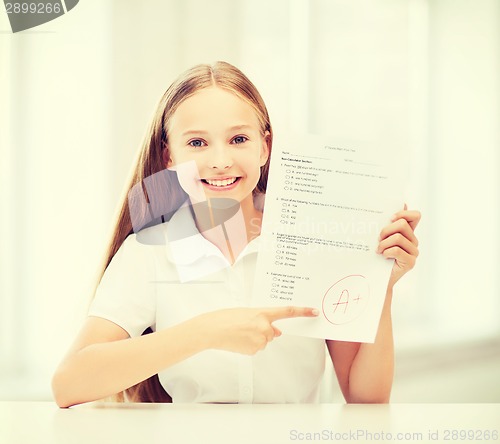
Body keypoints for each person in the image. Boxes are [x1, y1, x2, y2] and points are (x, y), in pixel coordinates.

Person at [51, 61, 421, 408]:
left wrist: (381, 286)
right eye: (197, 143)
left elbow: (365, 399)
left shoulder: (314, 236)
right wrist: (206, 331)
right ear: (169, 157)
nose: (220, 161)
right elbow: (69, 383)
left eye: (238, 139)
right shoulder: (148, 253)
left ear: (266, 147)